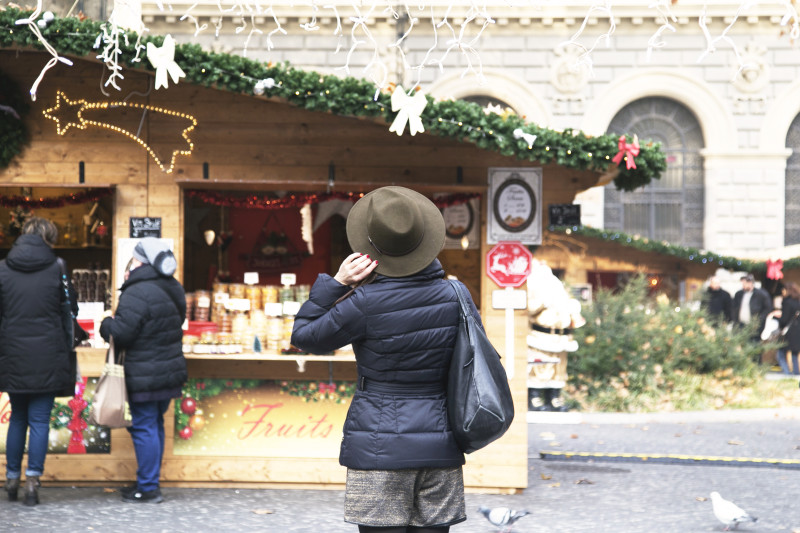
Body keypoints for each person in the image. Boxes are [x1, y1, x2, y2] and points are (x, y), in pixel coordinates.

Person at [291, 186, 473, 533]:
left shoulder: (363, 302)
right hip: (441, 441)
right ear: (426, 241)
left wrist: (336, 283)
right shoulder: (457, 294)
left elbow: (304, 337)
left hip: (378, 446)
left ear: (371, 249)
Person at [99, 237, 187, 503]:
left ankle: (148, 488)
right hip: (166, 369)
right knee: (154, 424)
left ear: (140, 261)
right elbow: (179, 320)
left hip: (144, 372)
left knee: (144, 426)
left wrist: (106, 325)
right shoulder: (174, 287)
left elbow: (122, 333)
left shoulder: (138, 291)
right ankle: (148, 482)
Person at [0, 217, 78, 506]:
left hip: (13, 354)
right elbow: (71, 308)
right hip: (48, 354)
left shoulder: (3, 269)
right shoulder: (57, 267)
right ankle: (32, 482)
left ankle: (10, 478)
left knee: (18, 418)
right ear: (49, 238)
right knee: (39, 420)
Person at [732, 273, 772, 338]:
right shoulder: (739, 294)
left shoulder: (761, 294)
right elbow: (734, 308)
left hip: (754, 325)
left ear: (750, 283)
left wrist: (758, 320)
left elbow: (768, 308)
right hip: (740, 324)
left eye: (744, 284)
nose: (743, 286)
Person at [777, 282, 800, 376]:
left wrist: (776, 317)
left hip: (788, 332)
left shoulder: (787, 302)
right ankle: (796, 374)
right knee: (794, 353)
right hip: (797, 331)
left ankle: (787, 374)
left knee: (780, 353)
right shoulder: (798, 301)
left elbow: (784, 319)